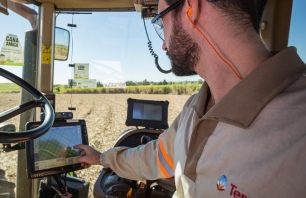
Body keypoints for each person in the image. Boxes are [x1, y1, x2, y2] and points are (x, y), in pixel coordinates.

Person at [74, 0, 306, 197]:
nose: (163, 44)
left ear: (191, 8)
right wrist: (102, 158)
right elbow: (159, 157)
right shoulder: (195, 107)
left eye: (161, 22)